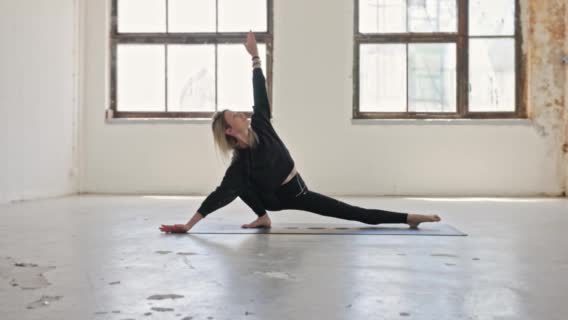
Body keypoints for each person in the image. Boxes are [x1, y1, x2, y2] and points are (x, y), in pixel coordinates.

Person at [159, 32, 441, 234]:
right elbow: (217, 197)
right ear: (231, 131)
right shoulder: (240, 164)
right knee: (234, 185)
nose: (243, 114)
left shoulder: (261, 125)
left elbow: (260, 95)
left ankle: (409, 217)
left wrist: (255, 56)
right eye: (236, 116)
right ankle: (263, 217)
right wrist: (188, 225)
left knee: (353, 212)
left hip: (299, 192)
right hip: (275, 199)